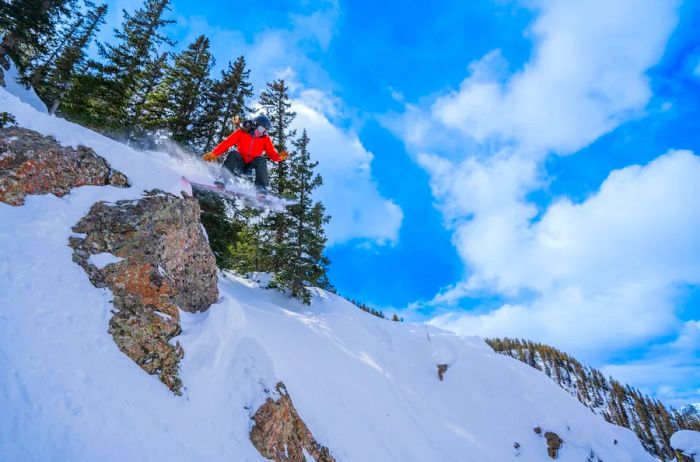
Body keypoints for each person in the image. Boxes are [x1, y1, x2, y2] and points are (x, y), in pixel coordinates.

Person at [202, 114, 287, 192]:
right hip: (239, 163)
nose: (262, 133)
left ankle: (261, 188)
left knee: (261, 159)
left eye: (265, 131)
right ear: (254, 125)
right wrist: (214, 154)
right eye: (261, 129)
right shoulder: (241, 132)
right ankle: (223, 179)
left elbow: (272, 153)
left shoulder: (265, 139)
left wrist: (279, 157)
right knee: (233, 153)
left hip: (251, 167)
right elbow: (227, 143)